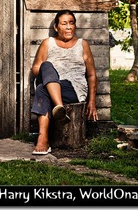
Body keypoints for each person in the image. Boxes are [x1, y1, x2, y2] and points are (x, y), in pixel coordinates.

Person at [30, 10, 98, 155]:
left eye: (71, 23)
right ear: (56, 27)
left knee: (42, 89)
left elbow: (91, 75)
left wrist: (92, 101)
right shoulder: (48, 43)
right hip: (52, 84)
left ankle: (43, 139)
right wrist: (49, 74)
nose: (68, 27)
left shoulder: (82, 44)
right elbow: (36, 68)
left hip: (74, 89)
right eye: (64, 23)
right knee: (46, 67)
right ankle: (59, 107)